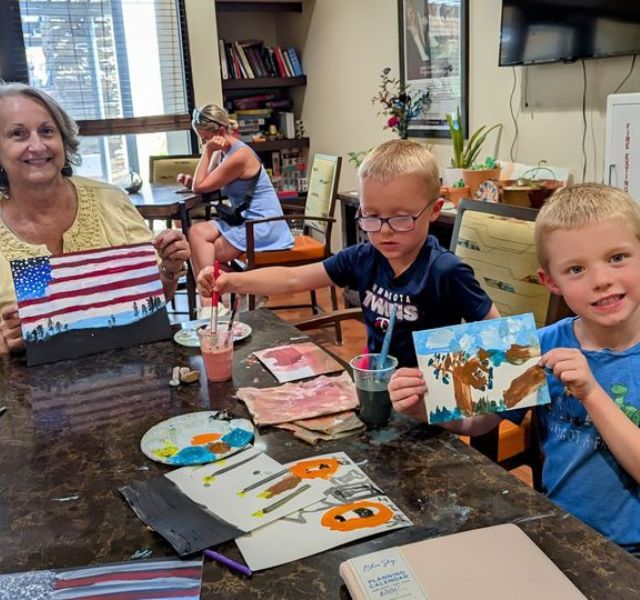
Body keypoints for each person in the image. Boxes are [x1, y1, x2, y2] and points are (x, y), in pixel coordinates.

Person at [389, 183, 640, 553]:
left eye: (617, 257)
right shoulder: (537, 345)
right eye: (576, 269)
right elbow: (483, 422)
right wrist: (427, 408)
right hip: (561, 533)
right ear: (550, 282)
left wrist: (590, 392)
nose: (601, 279)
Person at [197, 139, 499, 367]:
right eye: (371, 216)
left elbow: (497, 332)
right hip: (376, 385)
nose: (384, 230)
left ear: (433, 211)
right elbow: (292, 279)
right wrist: (232, 282)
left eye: (401, 218)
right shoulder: (363, 257)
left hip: (428, 400)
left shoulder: (446, 271)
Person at [0, 82, 190, 355]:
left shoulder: (110, 201)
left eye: (46, 131)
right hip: (30, 389)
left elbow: (150, 301)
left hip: (129, 377)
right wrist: (5, 341)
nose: (37, 145)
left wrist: (169, 269)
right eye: (18, 134)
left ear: (63, 140)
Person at [182, 103, 294, 306]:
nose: (203, 143)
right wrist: (194, 180)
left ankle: (215, 301)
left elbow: (200, 187)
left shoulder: (240, 156)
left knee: (204, 251)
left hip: (263, 223)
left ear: (221, 131)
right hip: (244, 220)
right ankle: (235, 293)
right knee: (197, 234)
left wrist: (207, 152)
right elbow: (204, 184)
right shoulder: (222, 152)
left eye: (205, 138)